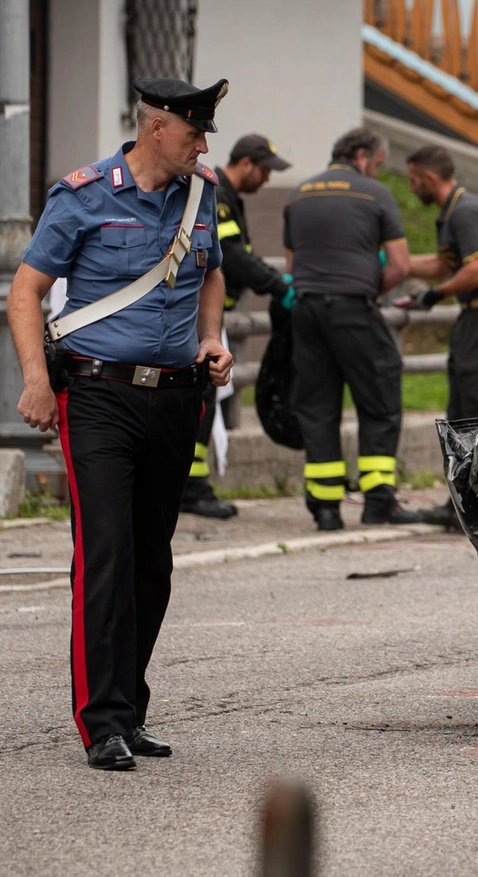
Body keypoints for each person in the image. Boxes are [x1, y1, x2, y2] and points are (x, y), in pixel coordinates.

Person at [6, 78, 235, 770]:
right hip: (99, 396)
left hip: (175, 398)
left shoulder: (202, 194)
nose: (202, 145)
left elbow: (213, 271)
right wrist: (37, 382)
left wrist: (212, 337)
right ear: (157, 128)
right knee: (105, 555)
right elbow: (26, 291)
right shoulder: (83, 194)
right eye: (194, 133)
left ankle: (130, 710)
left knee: (150, 562)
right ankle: (100, 720)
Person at [283, 128, 415, 530]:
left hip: (305, 310)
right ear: (361, 156)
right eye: (376, 164)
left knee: (318, 406)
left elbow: (291, 267)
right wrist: (367, 288)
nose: (376, 171)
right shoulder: (374, 194)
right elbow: (400, 265)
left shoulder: (298, 194)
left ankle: (325, 508)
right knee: (379, 395)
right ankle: (378, 501)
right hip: (353, 308)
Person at [395, 145, 478, 529]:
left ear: (430, 178)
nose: (412, 188)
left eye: (414, 181)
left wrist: (437, 294)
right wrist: (391, 262)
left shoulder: (464, 212)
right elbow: (442, 264)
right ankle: (464, 506)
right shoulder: (453, 213)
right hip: (474, 318)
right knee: (461, 413)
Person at [180, 134, 294, 519]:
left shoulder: (228, 195)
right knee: (201, 401)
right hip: (196, 316)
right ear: (245, 163)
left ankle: (188, 484)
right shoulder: (220, 194)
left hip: (204, 317)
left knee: (202, 401)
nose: (265, 179)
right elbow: (231, 258)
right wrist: (277, 284)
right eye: (263, 171)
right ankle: (191, 488)